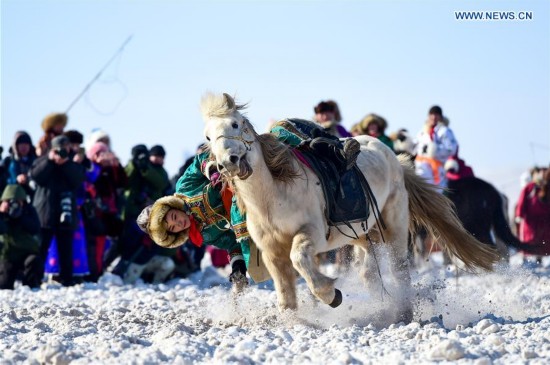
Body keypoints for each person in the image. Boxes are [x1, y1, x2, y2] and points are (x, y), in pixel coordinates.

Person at [29, 135, 86, 286]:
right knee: (41, 248)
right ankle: (35, 279)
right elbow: (35, 176)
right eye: (59, 149)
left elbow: (78, 180)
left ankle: (67, 279)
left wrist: (66, 163)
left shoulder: (73, 163)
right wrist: (49, 160)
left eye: (65, 148)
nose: (62, 151)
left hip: (65, 212)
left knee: (66, 249)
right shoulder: (42, 161)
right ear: (52, 149)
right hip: (45, 212)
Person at [0, 185, 42, 289]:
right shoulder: (2, 213)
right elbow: (2, 230)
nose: (13, 205)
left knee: (34, 260)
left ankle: (31, 284)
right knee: (4, 286)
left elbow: (35, 229)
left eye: (17, 201)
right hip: (8, 254)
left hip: (26, 253)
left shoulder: (28, 210)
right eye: (10, 202)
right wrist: (1, 214)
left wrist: (21, 216)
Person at [414, 105, 458, 188]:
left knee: (434, 192)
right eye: (432, 114)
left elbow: (451, 149)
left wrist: (435, 150)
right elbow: (414, 146)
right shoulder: (422, 132)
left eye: (436, 115)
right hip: (420, 165)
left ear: (440, 117)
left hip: (436, 168)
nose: (434, 117)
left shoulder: (444, 131)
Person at [515, 167, 550, 262]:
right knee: (536, 241)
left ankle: (536, 258)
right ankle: (531, 258)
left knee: (538, 241)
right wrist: (519, 214)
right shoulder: (530, 188)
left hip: (538, 222)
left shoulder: (535, 187)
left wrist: (519, 214)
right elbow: (522, 201)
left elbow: (521, 202)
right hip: (533, 222)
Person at [4, 131, 37, 200]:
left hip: (33, 195)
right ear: (15, 146)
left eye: (26, 144)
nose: (24, 147)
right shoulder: (8, 161)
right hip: (14, 195)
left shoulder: (36, 160)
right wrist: (16, 179)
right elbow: (4, 178)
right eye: (21, 144)